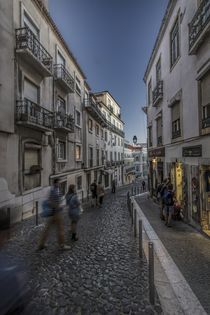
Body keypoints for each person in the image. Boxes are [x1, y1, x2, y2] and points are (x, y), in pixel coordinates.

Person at [38, 179, 70, 250]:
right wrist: (59, 206)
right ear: (56, 183)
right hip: (56, 213)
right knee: (60, 229)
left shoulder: (52, 190)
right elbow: (51, 201)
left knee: (46, 229)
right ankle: (62, 245)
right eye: (58, 183)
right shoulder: (54, 191)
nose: (59, 184)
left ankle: (41, 244)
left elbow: (49, 200)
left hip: (52, 213)